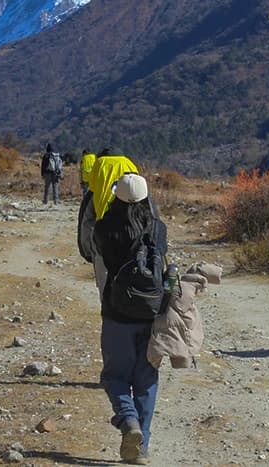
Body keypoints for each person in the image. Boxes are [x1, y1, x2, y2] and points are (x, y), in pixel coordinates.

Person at [95, 173, 167, 465]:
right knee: (147, 379)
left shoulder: (104, 228)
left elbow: (101, 261)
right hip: (151, 313)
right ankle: (142, 447)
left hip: (117, 314)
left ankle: (128, 421)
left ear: (117, 197)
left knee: (114, 375)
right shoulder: (158, 228)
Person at [78, 149, 142, 294]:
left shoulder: (98, 165)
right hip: (132, 234)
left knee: (106, 286)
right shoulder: (130, 164)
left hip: (104, 237)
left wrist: (87, 250)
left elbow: (87, 220)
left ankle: (109, 311)